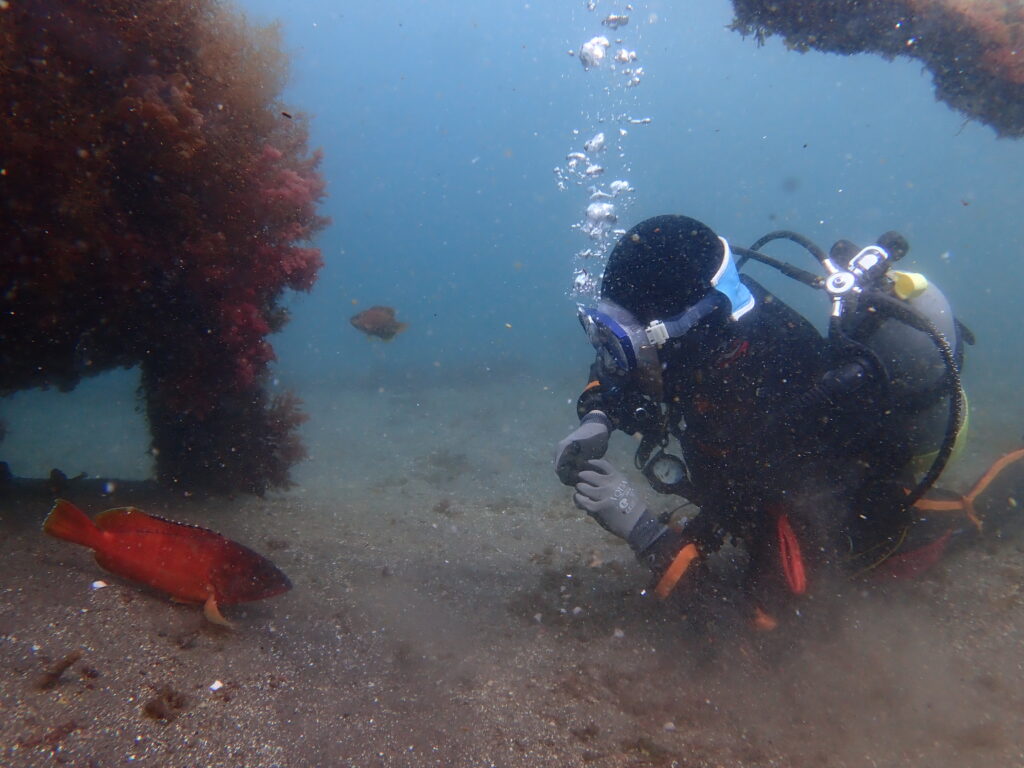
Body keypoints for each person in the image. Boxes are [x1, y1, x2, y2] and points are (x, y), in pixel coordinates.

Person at [554, 214, 971, 626]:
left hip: (860, 529)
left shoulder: (785, 413)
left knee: (964, 520)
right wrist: (598, 416)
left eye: (621, 345)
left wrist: (647, 534)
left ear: (682, 336)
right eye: (604, 334)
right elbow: (619, 370)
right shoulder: (708, 341)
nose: (611, 361)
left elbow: (763, 628)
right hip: (752, 496)